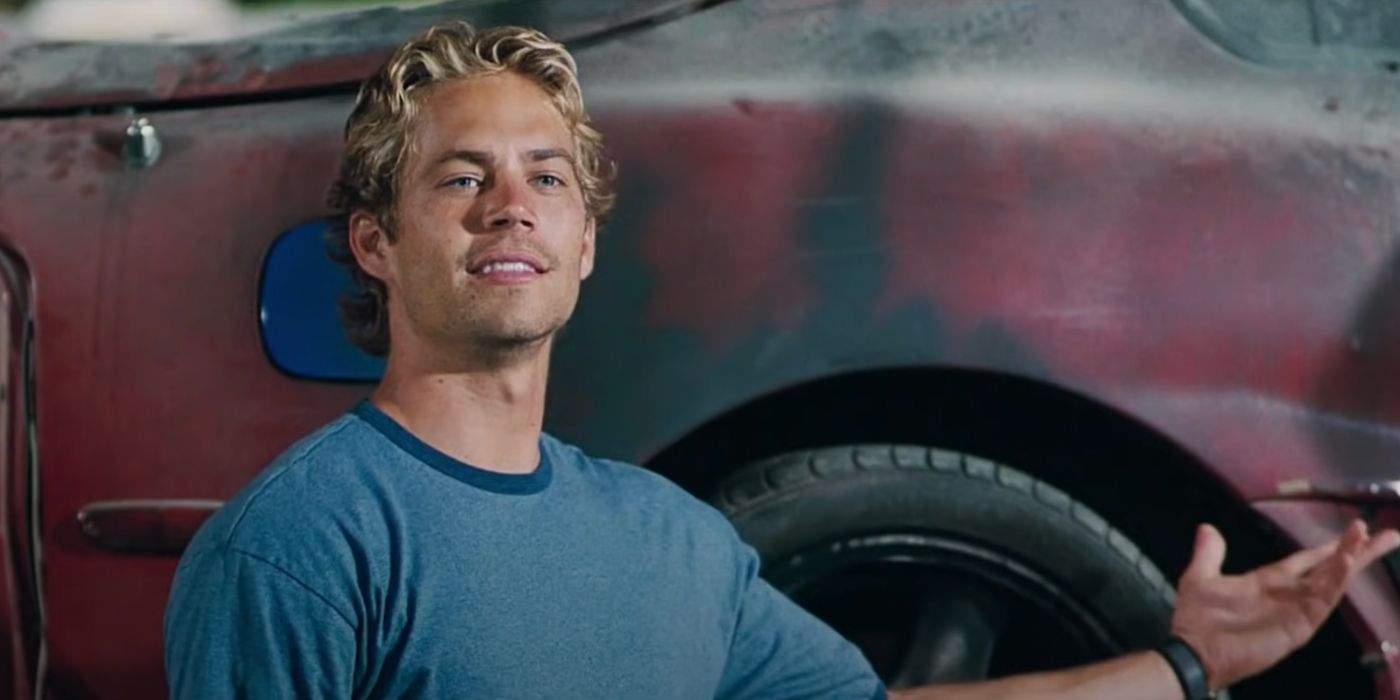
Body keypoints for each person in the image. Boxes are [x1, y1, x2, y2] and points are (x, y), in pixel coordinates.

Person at [164, 21, 1400, 700]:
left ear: (585, 244)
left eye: (545, 177)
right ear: (376, 243)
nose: (510, 205)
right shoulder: (302, 545)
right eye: (460, 176)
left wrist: (1186, 665)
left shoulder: (676, 544)